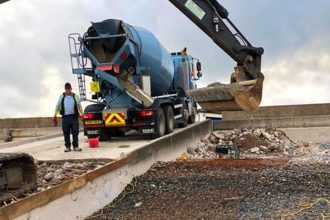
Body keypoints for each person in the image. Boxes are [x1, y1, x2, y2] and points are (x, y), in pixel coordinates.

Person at [53, 83, 84, 152]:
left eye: (69, 89)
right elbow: (58, 106)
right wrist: (55, 115)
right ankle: (68, 147)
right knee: (66, 133)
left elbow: (79, 106)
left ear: (71, 88)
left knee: (75, 132)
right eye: (67, 89)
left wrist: (82, 114)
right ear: (65, 89)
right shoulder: (62, 96)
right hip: (65, 118)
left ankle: (75, 146)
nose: (68, 90)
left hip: (74, 117)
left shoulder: (75, 96)